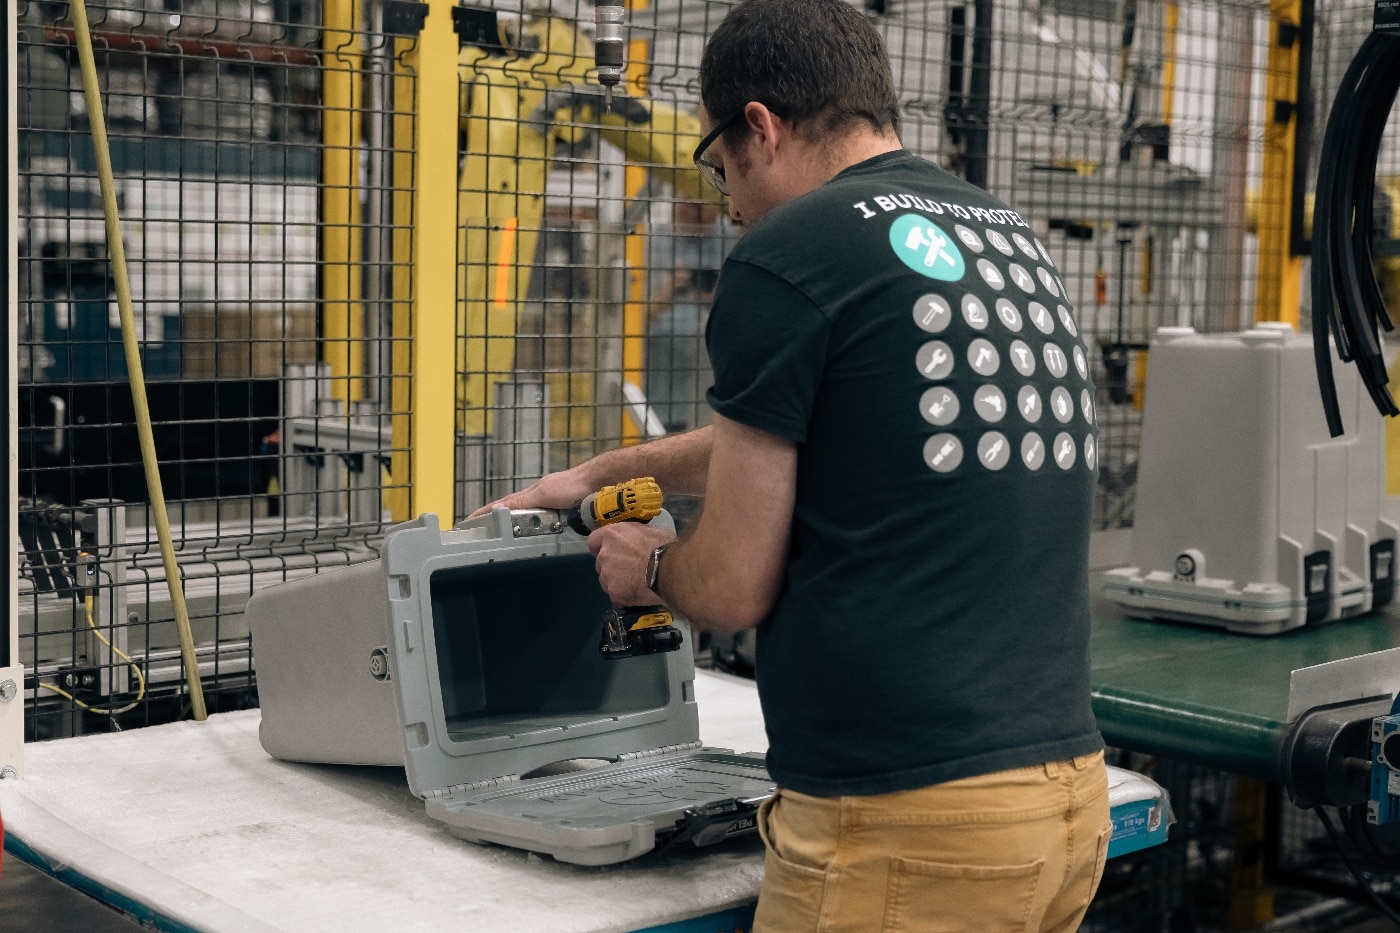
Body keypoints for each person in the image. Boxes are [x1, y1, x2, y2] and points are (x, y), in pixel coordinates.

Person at [477, 1, 1110, 929]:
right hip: (1062, 803)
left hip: (906, 820)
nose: (728, 203)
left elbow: (731, 588)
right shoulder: (1004, 235)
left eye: (721, 164)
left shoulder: (789, 251)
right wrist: (604, 470)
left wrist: (644, 566)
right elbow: (849, 422)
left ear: (761, 126)